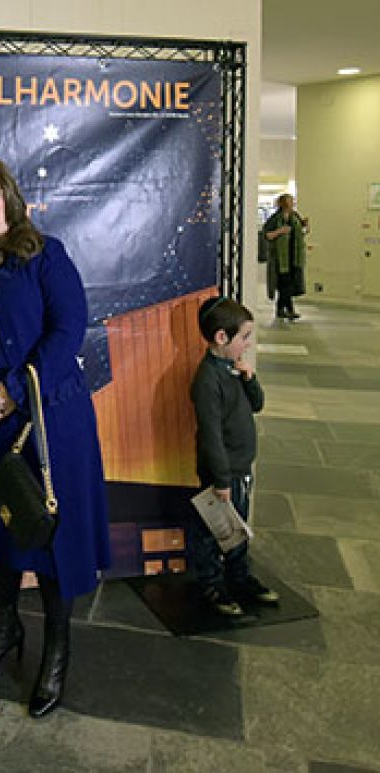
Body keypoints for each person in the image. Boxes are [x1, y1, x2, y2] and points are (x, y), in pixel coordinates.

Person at [0, 156, 111, 718]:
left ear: (10, 198)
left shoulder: (45, 255)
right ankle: (4, 629)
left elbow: (68, 330)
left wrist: (12, 390)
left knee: (50, 536)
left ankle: (57, 650)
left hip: (48, 419)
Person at [189, 296, 278, 616]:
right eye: (244, 337)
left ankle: (239, 577)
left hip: (240, 468)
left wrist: (250, 379)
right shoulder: (207, 379)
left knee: (237, 528)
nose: (248, 344)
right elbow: (211, 435)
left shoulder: (233, 368)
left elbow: (257, 405)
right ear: (221, 337)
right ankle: (212, 584)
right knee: (212, 531)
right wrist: (221, 480)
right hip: (222, 473)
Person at [263, 193, 308, 321]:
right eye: (290, 201)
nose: (292, 203)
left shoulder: (295, 216)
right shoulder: (275, 219)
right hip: (281, 258)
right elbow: (267, 235)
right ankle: (286, 309)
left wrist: (304, 226)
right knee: (285, 284)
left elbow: (302, 232)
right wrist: (280, 231)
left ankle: (283, 309)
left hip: (294, 257)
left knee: (290, 285)